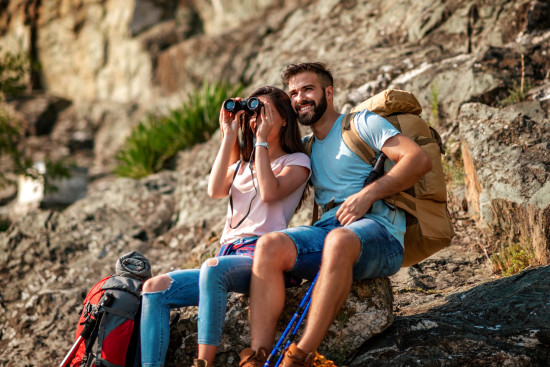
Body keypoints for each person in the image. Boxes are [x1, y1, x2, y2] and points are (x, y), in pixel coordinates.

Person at [239, 63, 433, 367]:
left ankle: (301, 356)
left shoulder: (362, 123)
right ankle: (257, 356)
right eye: (292, 93)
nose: (299, 98)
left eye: (308, 89)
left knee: (339, 241)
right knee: (269, 245)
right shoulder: (306, 148)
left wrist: (368, 193)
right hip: (328, 230)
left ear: (328, 93)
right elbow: (262, 182)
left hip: (381, 231)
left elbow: (418, 160)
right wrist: (250, 130)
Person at [140, 86, 311, 367]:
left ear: (284, 120)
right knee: (154, 287)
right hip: (227, 255)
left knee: (212, 267)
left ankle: (202, 362)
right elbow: (215, 189)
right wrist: (230, 133)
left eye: (265, 113)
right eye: (253, 114)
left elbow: (268, 193)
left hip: (260, 258)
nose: (257, 120)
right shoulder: (242, 165)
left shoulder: (296, 162)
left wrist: (260, 142)